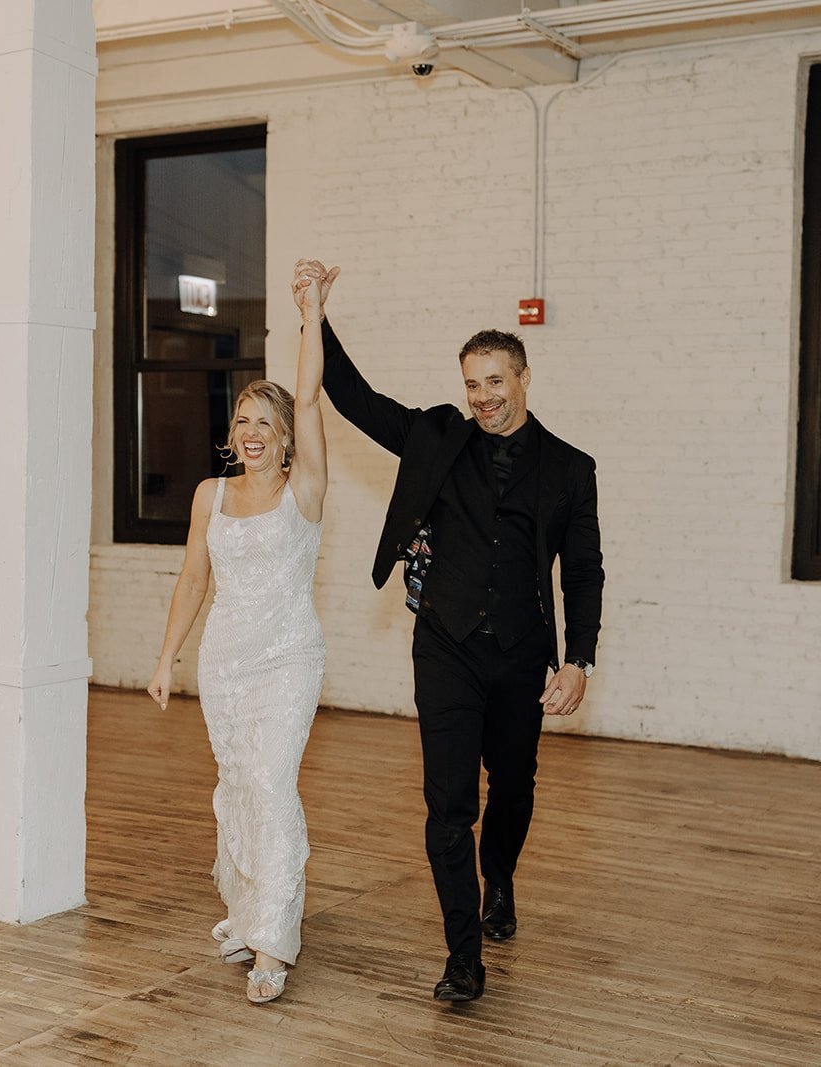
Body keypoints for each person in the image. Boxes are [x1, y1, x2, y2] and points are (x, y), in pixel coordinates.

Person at [299, 259, 604, 1004]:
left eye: (494, 381)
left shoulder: (570, 468)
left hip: (524, 649)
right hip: (444, 643)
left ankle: (499, 875)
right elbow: (356, 399)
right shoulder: (437, 436)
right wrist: (316, 313)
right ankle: (463, 955)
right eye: (473, 383)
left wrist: (579, 658)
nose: (483, 397)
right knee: (447, 804)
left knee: (516, 784)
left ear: (523, 377)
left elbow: (585, 571)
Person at [145, 261, 340, 1005]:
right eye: (242, 420)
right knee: (237, 786)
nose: (251, 432)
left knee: (269, 783)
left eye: (266, 421)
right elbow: (194, 579)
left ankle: (273, 942)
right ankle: (247, 911)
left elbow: (315, 392)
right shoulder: (210, 494)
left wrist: (311, 311)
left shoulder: (305, 490)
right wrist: (168, 657)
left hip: (289, 655)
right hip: (225, 663)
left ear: (287, 436)